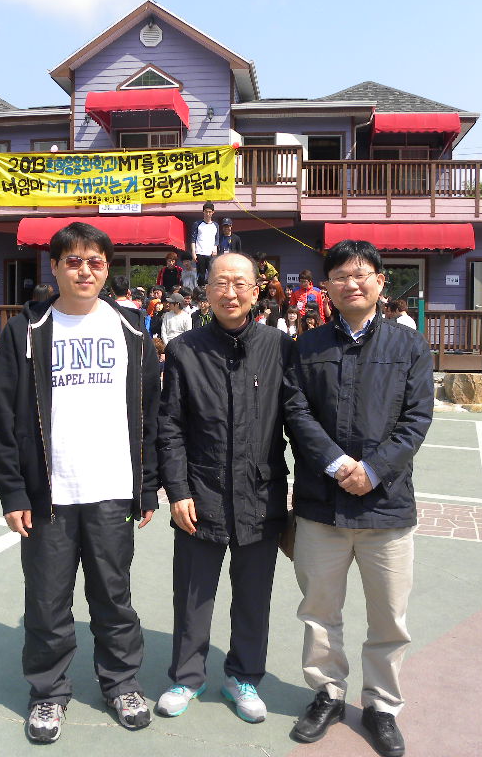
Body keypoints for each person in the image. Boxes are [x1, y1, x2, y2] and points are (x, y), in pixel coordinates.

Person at [0, 222, 161, 744]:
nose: (85, 271)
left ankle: (121, 683)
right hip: (50, 495)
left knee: (113, 597)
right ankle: (48, 692)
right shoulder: (26, 329)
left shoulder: (132, 329)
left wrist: (146, 486)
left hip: (112, 489)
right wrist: (13, 491)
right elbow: (4, 418)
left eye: (95, 262)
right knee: (47, 602)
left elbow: (150, 415)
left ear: (107, 269)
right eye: (74, 261)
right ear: (55, 267)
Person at [283, 239, 434, 757]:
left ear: (380, 282)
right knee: (319, 611)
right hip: (321, 506)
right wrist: (337, 464)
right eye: (340, 275)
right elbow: (296, 412)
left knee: (389, 616)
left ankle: (381, 705)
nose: (351, 283)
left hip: (386, 507)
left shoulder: (408, 345)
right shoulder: (307, 346)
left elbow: (417, 418)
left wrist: (372, 470)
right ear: (326, 286)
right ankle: (327, 694)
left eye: (361, 273)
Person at [155, 252, 293, 724]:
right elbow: (170, 426)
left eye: (239, 283)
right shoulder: (185, 350)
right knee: (193, 594)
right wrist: (177, 491)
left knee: (253, 595)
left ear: (256, 291)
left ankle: (243, 676)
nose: (230, 293)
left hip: (261, 494)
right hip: (201, 492)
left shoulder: (279, 347)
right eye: (220, 283)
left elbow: (298, 420)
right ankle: (186, 676)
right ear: (206, 291)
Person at [188, 202, 219, 286]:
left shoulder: (215, 225)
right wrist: (193, 253)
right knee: (201, 275)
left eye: (210, 212)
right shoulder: (197, 224)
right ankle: (200, 290)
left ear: (213, 212)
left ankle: (211, 290)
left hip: (211, 254)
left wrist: (215, 248)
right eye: (206, 212)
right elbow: (193, 239)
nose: (208, 214)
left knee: (212, 274)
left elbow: (216, 239)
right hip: (200, 253)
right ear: (203, 212)